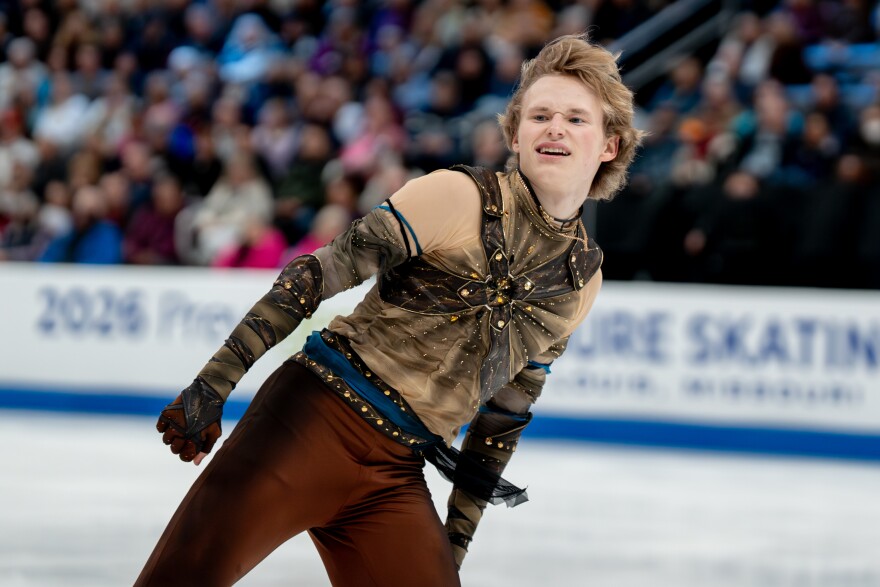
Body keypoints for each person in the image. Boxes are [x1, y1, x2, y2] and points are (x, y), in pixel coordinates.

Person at [136, 34, 642, 586]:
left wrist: (448, 551)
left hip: (394, 475)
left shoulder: (581, 278)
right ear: (515, 135)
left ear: (609, 146)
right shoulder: (457, 195)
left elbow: (502, 419)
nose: (555, 128)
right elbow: (314, 276)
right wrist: (213, 383)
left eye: (576, 118)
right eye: (540, 115)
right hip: (308, 422)